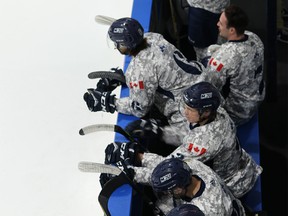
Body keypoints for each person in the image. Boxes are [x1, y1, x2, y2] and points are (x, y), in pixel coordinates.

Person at [125, 81, 262, 198]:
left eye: (190, 109)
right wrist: (160, 132)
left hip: (231, 184)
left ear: (206, 112)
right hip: (241, 165)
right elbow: (191, 134)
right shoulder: (217, 112)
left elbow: (170, 170)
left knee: (166, 200)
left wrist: (137, 162)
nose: (185, 112)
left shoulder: (206, 142)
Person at [83, 17, 203, 133]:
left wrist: (109, 102)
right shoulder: (153, 37)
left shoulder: (139, 71)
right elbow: (154, 68)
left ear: (125, 44)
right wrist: (127, 78)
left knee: (175, 135)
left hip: (191, 105)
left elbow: (139, 109)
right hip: (203, 80)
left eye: (117, 43)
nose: (116, 46)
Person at [202, 5, 265, 126]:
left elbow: (210, 87)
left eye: (220, 23)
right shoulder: (254, 38)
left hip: (238, 112)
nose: (217, 24)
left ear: (232, 30)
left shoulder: (222, 58)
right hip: (257, 97)